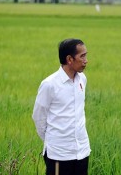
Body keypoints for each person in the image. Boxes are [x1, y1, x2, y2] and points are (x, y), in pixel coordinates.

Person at [32, 38, 90, 175]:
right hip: (59, 155)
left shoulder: (82, 79)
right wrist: (53, 140)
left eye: (86, 55)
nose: (86, 60)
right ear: (69, 59)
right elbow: (38, 117)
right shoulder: (49, 84)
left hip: (82, 151)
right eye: (82, 56)